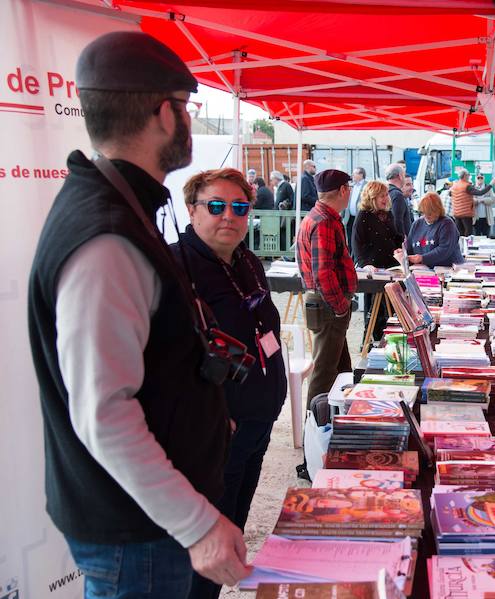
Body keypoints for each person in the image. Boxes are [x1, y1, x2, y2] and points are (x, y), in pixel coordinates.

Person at [28, 31, 250, 597]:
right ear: (163, 114)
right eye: (187, 108)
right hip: (138, 535)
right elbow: (104, 412)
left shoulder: (121, 208)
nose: (191, 124)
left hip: (145, 523)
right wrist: (198, 527)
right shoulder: (107, 234)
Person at [172, 169, 287, 599]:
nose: (229, 217)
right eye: (216, 206)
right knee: (207, 550)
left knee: (233, 533)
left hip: (258, 422)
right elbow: (168, 364)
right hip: (216, 435)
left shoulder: (246, 260)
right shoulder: (175, 269)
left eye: (239, 208)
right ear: (191, 210)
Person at [298, 169, 358, 399]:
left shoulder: (319, 217)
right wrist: (341, 306)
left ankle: (331, 423)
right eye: (349, 188)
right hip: (328, 304)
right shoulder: (324, 221)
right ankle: (313, 429)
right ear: (343, 190)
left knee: (340, 371)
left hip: (326, 303)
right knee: (325, 373)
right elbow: (323, 272)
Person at [352, 181, 403, 342]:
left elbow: (395, 236)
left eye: (386, 194)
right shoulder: (363, 216)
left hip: (390, 267)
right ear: (372, 197)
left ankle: (388, 338)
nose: (386, 198)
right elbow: (356, 244)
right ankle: (370, 341)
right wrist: (365, 264)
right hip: (373, 270)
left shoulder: (388, 214)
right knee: (372, 309)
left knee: (390, 308)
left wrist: (400, 248)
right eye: (382, 195)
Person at [396, 191, 463, 267]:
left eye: (430, 213)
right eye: (423, 212)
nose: (426, 216)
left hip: (448, 269)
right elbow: (410, 248)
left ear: (438, 209)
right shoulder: (417, 224)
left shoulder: (447, 223)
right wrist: (403, 253)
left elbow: (444, 249)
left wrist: (422, 258)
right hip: (423, 270)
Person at [450, 168, 494, 237]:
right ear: (465, 176)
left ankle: (461, 246)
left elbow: (450, 194)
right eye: (468, 174)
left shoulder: (455, 185)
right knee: (468, 234)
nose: (469, 176)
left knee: (460, 233)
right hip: (466, 213)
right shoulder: (467, 186)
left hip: (456, 213)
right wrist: (491, 184)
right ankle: (467, 246)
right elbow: (480, 193)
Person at [386, 162, 412, 237]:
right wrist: (401, 240)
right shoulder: (397, 195)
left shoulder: (385, 192)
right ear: (400, 176)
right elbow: (397, 221)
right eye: (404, 175)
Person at [342, 166, 366, 245]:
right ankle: (349, 256)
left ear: (361, 175)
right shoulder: (352, 185)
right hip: (349, 218)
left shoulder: (367, 186)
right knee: (349, 239)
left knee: (358, 240)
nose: (352, 175)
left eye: (354, 173)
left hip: (360, 218)